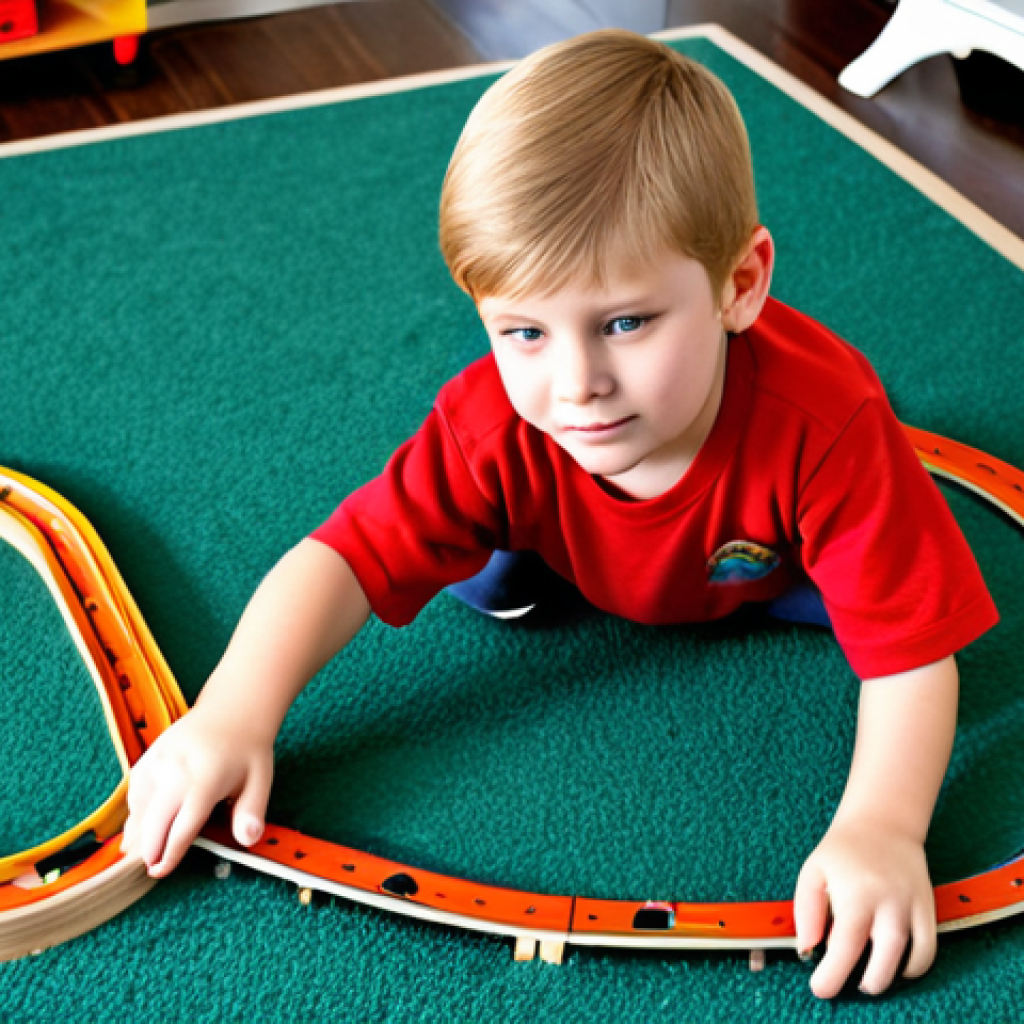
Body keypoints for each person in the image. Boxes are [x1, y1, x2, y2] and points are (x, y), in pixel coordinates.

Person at [121, 29, 999, 1001]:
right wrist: (232, 712)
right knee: (480, 568)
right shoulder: (494, 426)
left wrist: (881, 827)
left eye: (625, 322)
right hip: (560, 550)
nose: (578, 383)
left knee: (883, 601)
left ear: (740, 285)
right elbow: (343, 556)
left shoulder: (828, 429)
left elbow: (915, 660)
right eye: (524, 331)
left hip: (776, 565)